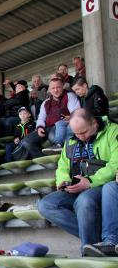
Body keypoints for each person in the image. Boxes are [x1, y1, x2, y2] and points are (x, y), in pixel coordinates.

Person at [38, 109, 118, 254]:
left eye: (84, 132)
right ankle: (96, 239)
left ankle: (89, 249)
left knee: (84, 200)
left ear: (94, 123)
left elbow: (115, 164)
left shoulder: (112, 131)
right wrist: (63, 180)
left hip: (103, 185)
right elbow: (62, 165)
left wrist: (89, 182)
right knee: (45, 205)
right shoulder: (71, 139)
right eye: (77, 133)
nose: (81, 137)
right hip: (77, 185)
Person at [32, 77, 81, 152]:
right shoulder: (46, 102)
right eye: (53, 88)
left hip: (66, 123)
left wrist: (71, 117)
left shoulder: (69, 96)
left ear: (62, 87)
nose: (56, 90)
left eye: (58, 87)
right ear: (49, 89)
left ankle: (62, 148)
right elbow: (41, 117)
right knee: (27, 141)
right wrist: (39, 126)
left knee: (54, 134)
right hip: (49, 127)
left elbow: (76, 111)